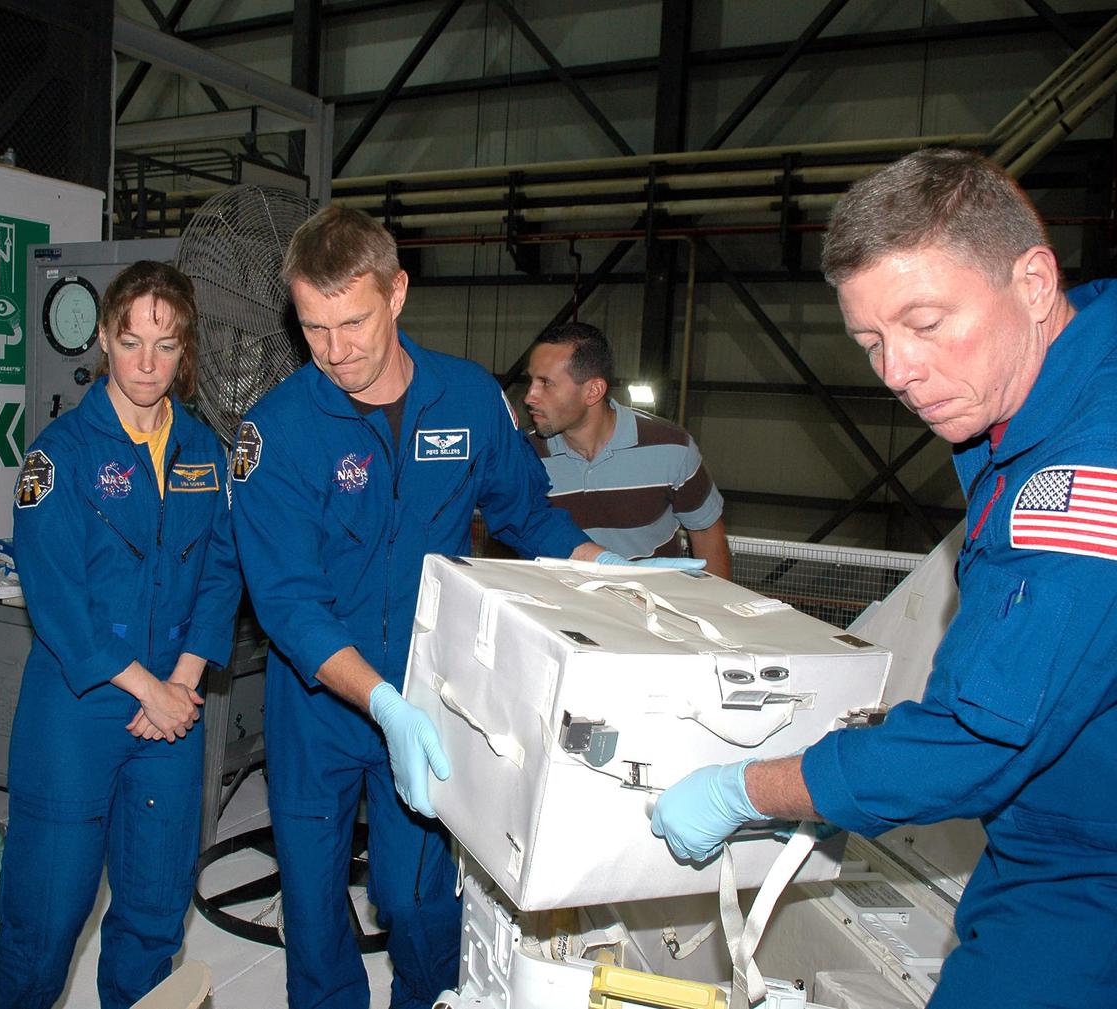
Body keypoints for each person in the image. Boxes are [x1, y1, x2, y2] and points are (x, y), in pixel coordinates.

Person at [649, 148, 1117, 1008]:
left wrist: (745, 789)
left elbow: (982, 738)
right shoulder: (1051, 369)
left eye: (926, 323)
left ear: (1037, 281)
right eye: (872, 341)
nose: (897, 372)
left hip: (1087, 862)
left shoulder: (1084, 476)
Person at [230, 207, 704, 1009]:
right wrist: (377, 699)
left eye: (353, 322)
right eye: (314, 328)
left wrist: (611, 570)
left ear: (398, 293)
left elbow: (528, 514)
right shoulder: (273, 433)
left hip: (429, 690)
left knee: (420, 903)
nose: (335, 351)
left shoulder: (469, 399)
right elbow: (287, 602)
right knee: (313, 914)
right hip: (319, 704)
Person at [0, 261, 242, 1009]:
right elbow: (58, 602)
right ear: (104, 337)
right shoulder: (59, 455)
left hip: (175, 708)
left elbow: (223, 571)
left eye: (165, 347)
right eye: (131, 342)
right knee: (47, 913)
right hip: (82, 704)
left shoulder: (204, 453)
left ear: (185, 349)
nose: (146, 364)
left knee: (154, 914)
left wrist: (185, 683)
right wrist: (149, 689)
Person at [524, 322, 731, 578]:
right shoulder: (524, 454)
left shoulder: (672, 447)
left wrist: (714, 611)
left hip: (651, 608)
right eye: (531, 380)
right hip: (557, 610)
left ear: (593, 391)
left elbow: (706, 532)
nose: (529, 396)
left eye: (546, 383)